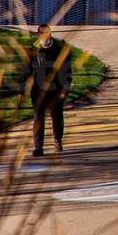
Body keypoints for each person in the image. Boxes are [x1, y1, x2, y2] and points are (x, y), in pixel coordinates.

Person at [24, 25, 73, 157]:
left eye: (46, 32)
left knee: (56, 116)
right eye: (41, 32)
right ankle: (38, 147)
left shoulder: (59, 49)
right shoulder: (33, 51)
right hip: (38, 90)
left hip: (55, 89)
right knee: (38, 117)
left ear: (50, 33)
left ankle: (58, 140)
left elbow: (66, 71)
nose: (44, 34)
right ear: (38, 34)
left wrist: (65, 88)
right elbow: (26, 72)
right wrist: (21, 90)